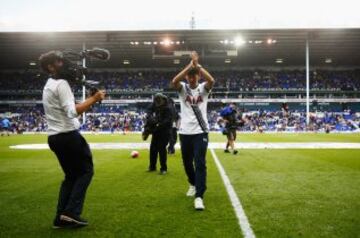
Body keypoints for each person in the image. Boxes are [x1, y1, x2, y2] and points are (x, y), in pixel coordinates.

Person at [40, 51, 105, 229]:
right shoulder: (61, 83)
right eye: (59, 62)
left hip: (56, 137)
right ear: (50, 67)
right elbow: (72, 112)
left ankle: (61, 216)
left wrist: (89, 100)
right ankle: (71, 213)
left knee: (71, 176)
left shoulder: (50, 84)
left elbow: (69, 108)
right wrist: (94, 98)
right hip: (67, 136)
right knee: (85, 172)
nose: (64, 64)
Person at [171, 51, 215, 210]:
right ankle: (192, 183)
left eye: (194, 75)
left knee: (200, 163)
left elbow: (211, 80)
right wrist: (190, 65)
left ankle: (199, 196)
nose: (191, 78)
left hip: (201, 132)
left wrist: (198, 66)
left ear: (198, 76)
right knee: (187, 163)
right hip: (185, 132)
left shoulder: (204, 88)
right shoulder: (182, 88)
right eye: (189, 76)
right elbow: (174, 80)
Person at [143, 93, 173, 174]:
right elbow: (148, 110)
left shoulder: (169, 108)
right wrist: (150, 117)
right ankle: (152, 167)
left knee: (161, 149)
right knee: (153, 149)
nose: (157, 104)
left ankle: (163, 168)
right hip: (157, 130)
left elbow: (167, 122)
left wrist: (156, 125)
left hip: (165, 131)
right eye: (156, 102)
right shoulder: (155, 103)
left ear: (163, 100)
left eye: (158, 101)